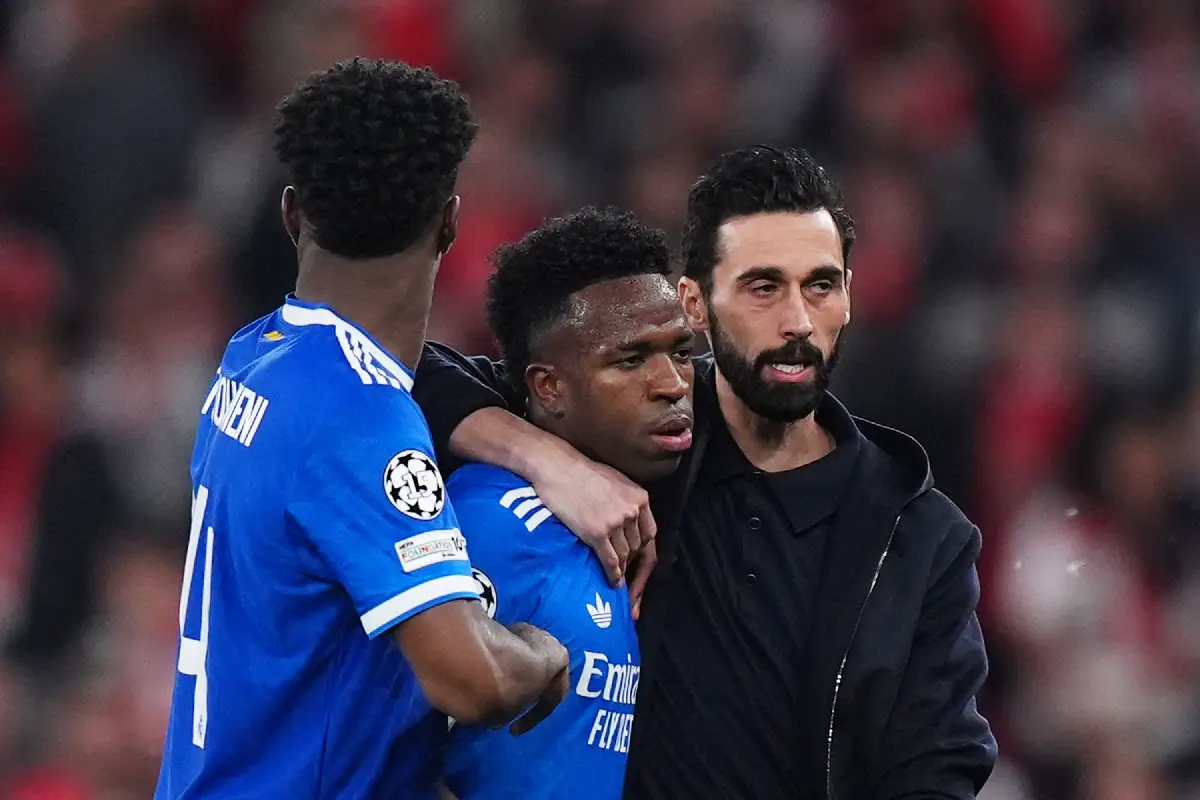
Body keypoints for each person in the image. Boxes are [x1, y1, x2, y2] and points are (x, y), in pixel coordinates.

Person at [413, 146, 997, 798]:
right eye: (763, 287)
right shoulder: (638, 431)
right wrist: (545, 458)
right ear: (695, 302)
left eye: (821, 285)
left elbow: (940, 767)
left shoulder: (919, 538)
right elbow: (409, 378)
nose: (797, 321)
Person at [155, 59, 569, 800]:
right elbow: (471, 681)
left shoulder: (251, 359)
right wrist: (539, 652)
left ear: (292, 214)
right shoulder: (360, 417)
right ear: (450, 221)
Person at [440, 206, 694, 800]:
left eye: (681, 352)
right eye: (630, 360)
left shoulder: (624, 512)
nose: (673, 383)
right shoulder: (489, 521)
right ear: (548, 388)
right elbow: (381, 732)